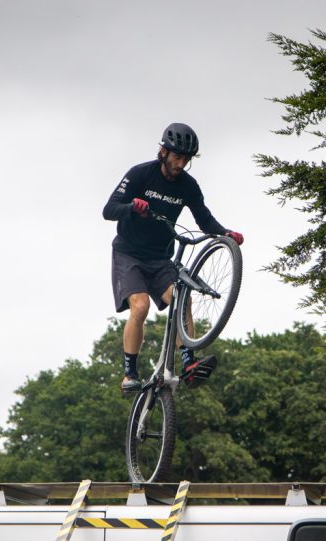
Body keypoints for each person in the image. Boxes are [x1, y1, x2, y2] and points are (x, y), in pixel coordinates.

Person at [103, 122, 244, 394]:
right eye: (177, 157)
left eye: (186, 159)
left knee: (182, 299)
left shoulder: (188, 186)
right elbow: (109, 210)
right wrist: (132, 207)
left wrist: (225, 233)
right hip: (129, 254)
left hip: (160, 259)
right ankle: (129, 374)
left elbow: (204, 219)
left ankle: (188, 363)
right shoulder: (140, 174)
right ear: (163, 152)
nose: (181, 164)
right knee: (140, 306)